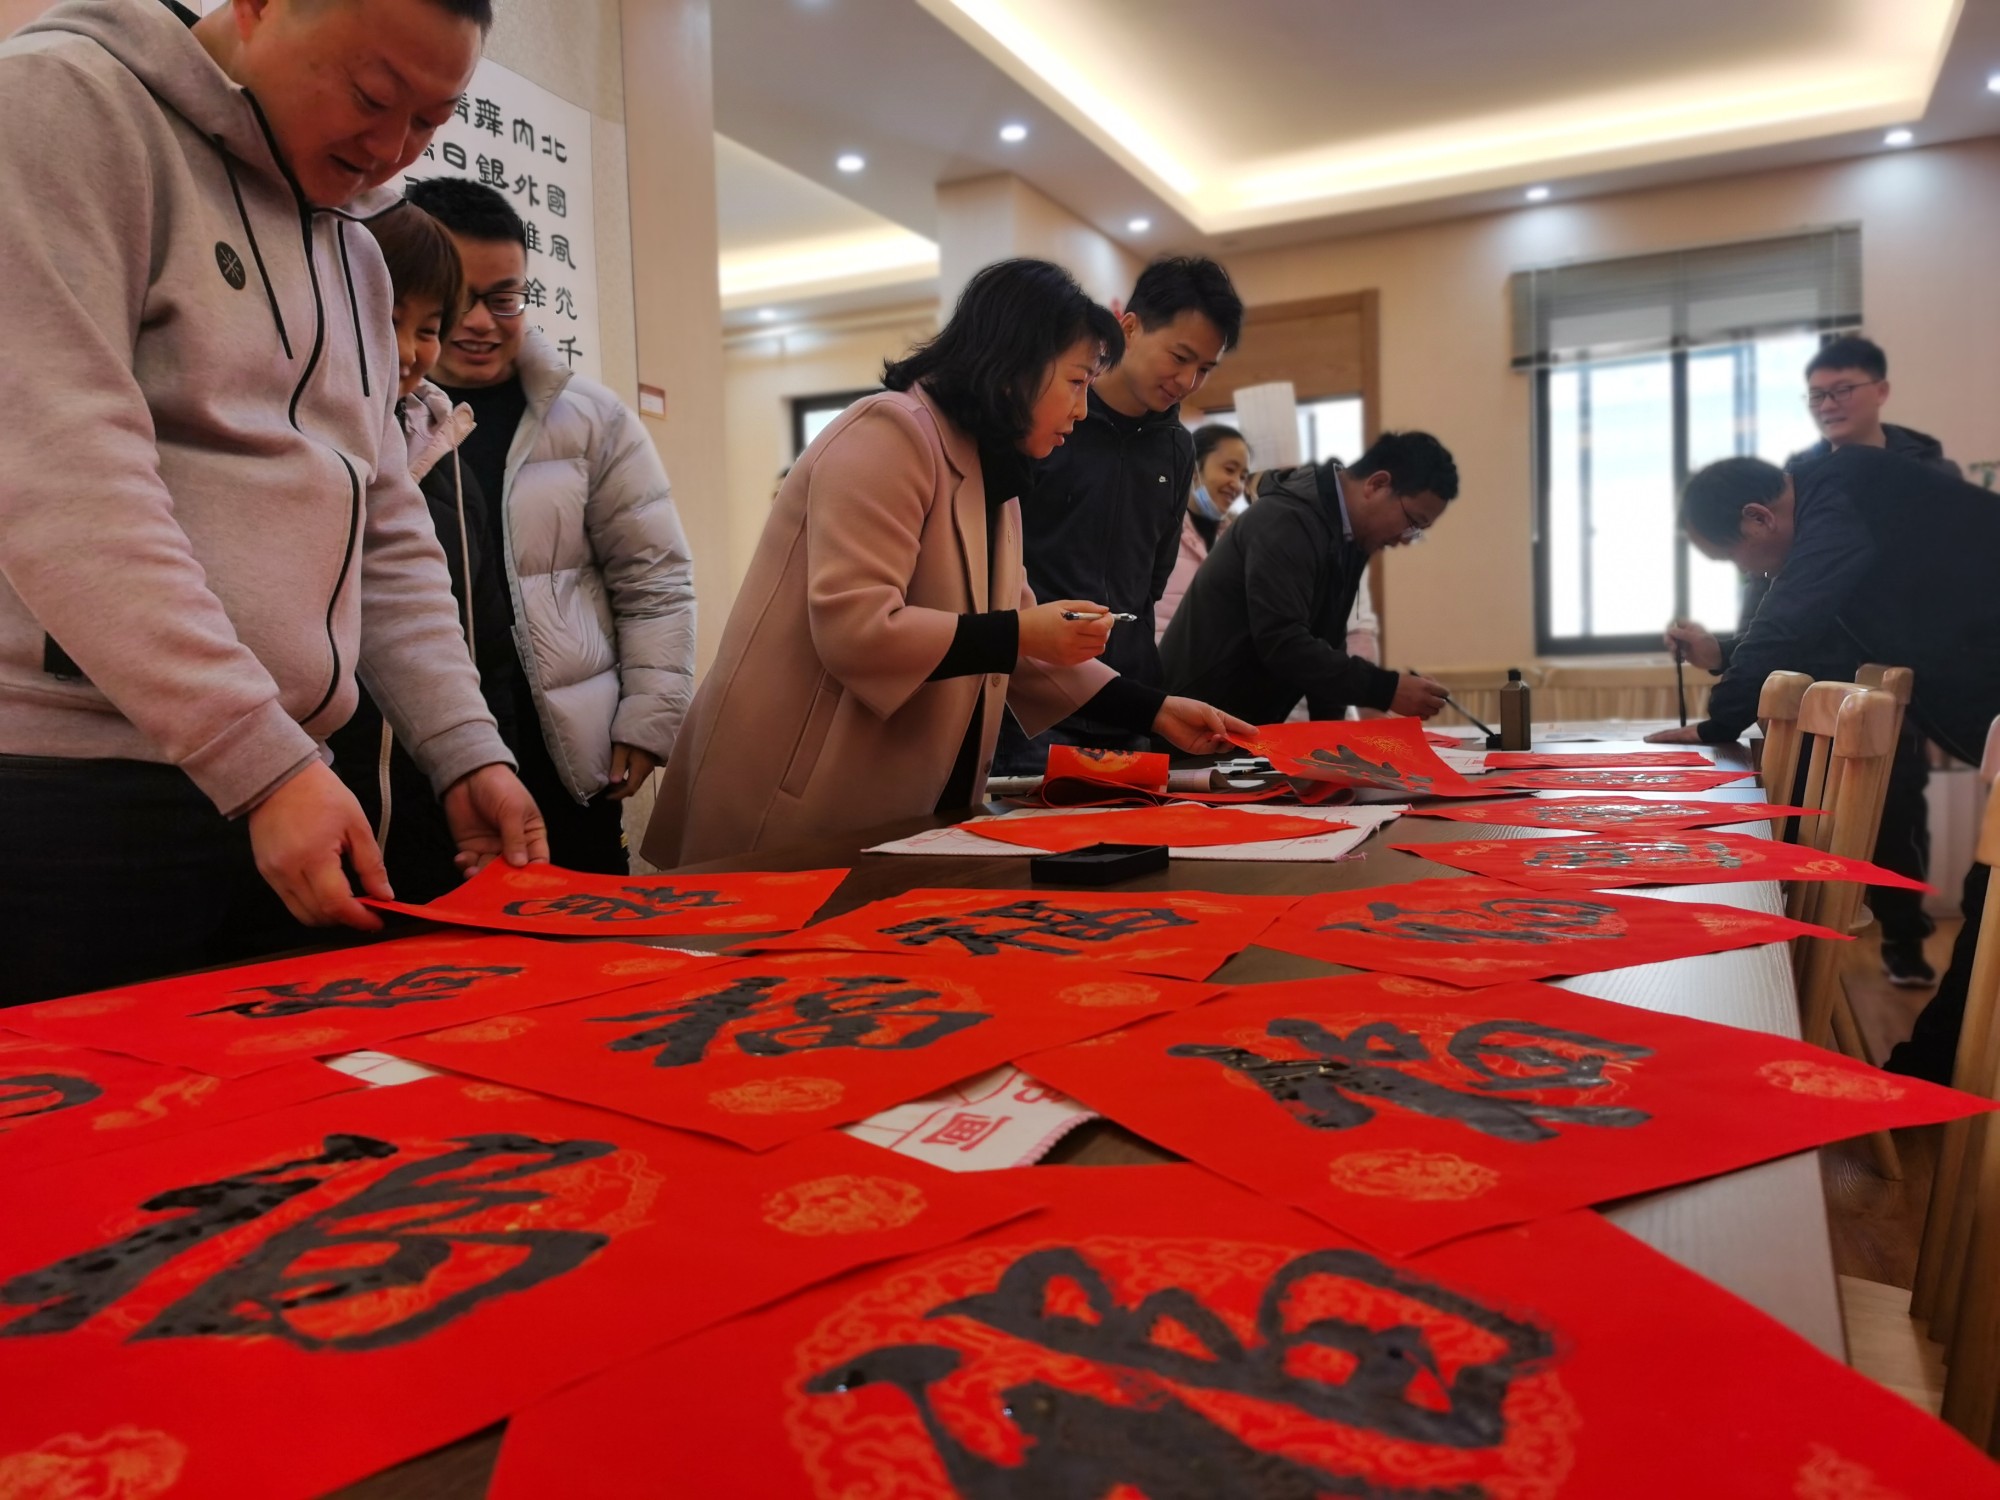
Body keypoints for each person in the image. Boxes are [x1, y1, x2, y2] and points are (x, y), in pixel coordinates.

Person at [0, 0, 548, 1005]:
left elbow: (384, 522)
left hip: (286, 781)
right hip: (77, 791)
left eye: (429, 121)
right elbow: (59, 468)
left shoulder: (356, 247)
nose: (391, 149)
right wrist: (256, 757)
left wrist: (464, 747)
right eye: (372, 95)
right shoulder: (63, 103)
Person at [642, 258, 1251, 867]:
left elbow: (1029, 648)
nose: (1082, 410)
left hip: (899, 795)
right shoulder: (889, 431)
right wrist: (1021, 633)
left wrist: (1154, 710)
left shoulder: (995, 476)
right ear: (1017, 367)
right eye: (1075, 383)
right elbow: (857, 630)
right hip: (792, 789)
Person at [1648, 451, 2000, 1082]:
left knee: (1991, 888)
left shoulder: (1839, 490)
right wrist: (1724, 657)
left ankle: (1931, 1075)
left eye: (1734, 555)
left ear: (1759, 517)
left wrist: (1720, 721)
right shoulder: (1844, 518)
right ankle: (1931, 1070)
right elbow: (1821, 636)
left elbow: (1791, 616)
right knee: (1989, 889)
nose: (1747, 571)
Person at [404, 175, 696, 876]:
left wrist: (649, 717)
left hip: (562, 750)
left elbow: (654, 576)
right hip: (416, 752)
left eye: (504, 297)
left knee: (584, 930)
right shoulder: (376, 413)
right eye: (458, 298)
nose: (481, 321)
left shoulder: (591, 417)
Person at [327, 200, 511, 902]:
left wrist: (479, 757)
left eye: (428, 329)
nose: (407, 350)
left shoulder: (450, 463)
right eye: (388, 320)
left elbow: (479, 633)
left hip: (429, 791)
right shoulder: (300, 444)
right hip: (315, 789)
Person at [994, 256, 1243, 772]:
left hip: (1131, 701)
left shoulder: (1176, 448)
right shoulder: (1051, 419)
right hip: (1034, 703)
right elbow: (1001, 560)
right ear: (1129, 328)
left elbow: (1151, 580)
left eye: (1204, 369)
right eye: (1180, 356)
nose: (1187, 380)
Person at [1161, 432, 1460, 726]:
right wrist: (1386, 689)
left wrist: (1333, 741)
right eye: (1412, 522)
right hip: (1189, 723)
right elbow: (1283, 643)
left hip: (1234, 725)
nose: (1407, 538)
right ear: (1377, 484)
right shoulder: (1286, 520)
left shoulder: (1349, 536)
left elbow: (1327, 643)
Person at [1156, 424, 1249, 643]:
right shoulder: (1159, 527)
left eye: (1243, 476)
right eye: (1229, 470)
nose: (1237, 484)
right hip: (1157, 659)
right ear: (1194, 467)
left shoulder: (1236, 539)